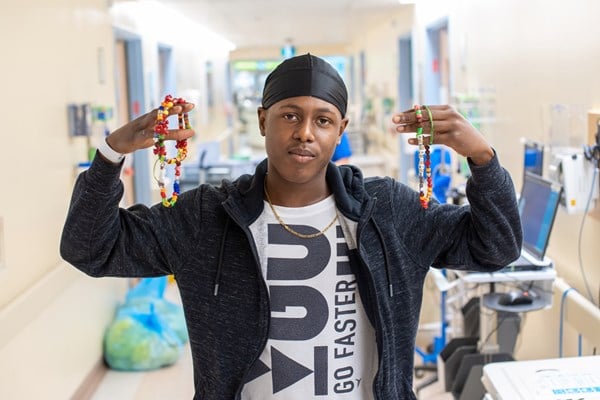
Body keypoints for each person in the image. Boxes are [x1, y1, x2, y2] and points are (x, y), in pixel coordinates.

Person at [60, 53, 522, 400]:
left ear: (339, 131)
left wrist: (482, 160)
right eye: (289, 115)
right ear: (263, 120)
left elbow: (495, 247)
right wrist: (109, 155)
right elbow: (90, 248)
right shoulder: (206, 217)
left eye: (322, 120)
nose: (305, 132)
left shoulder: (390, 212)